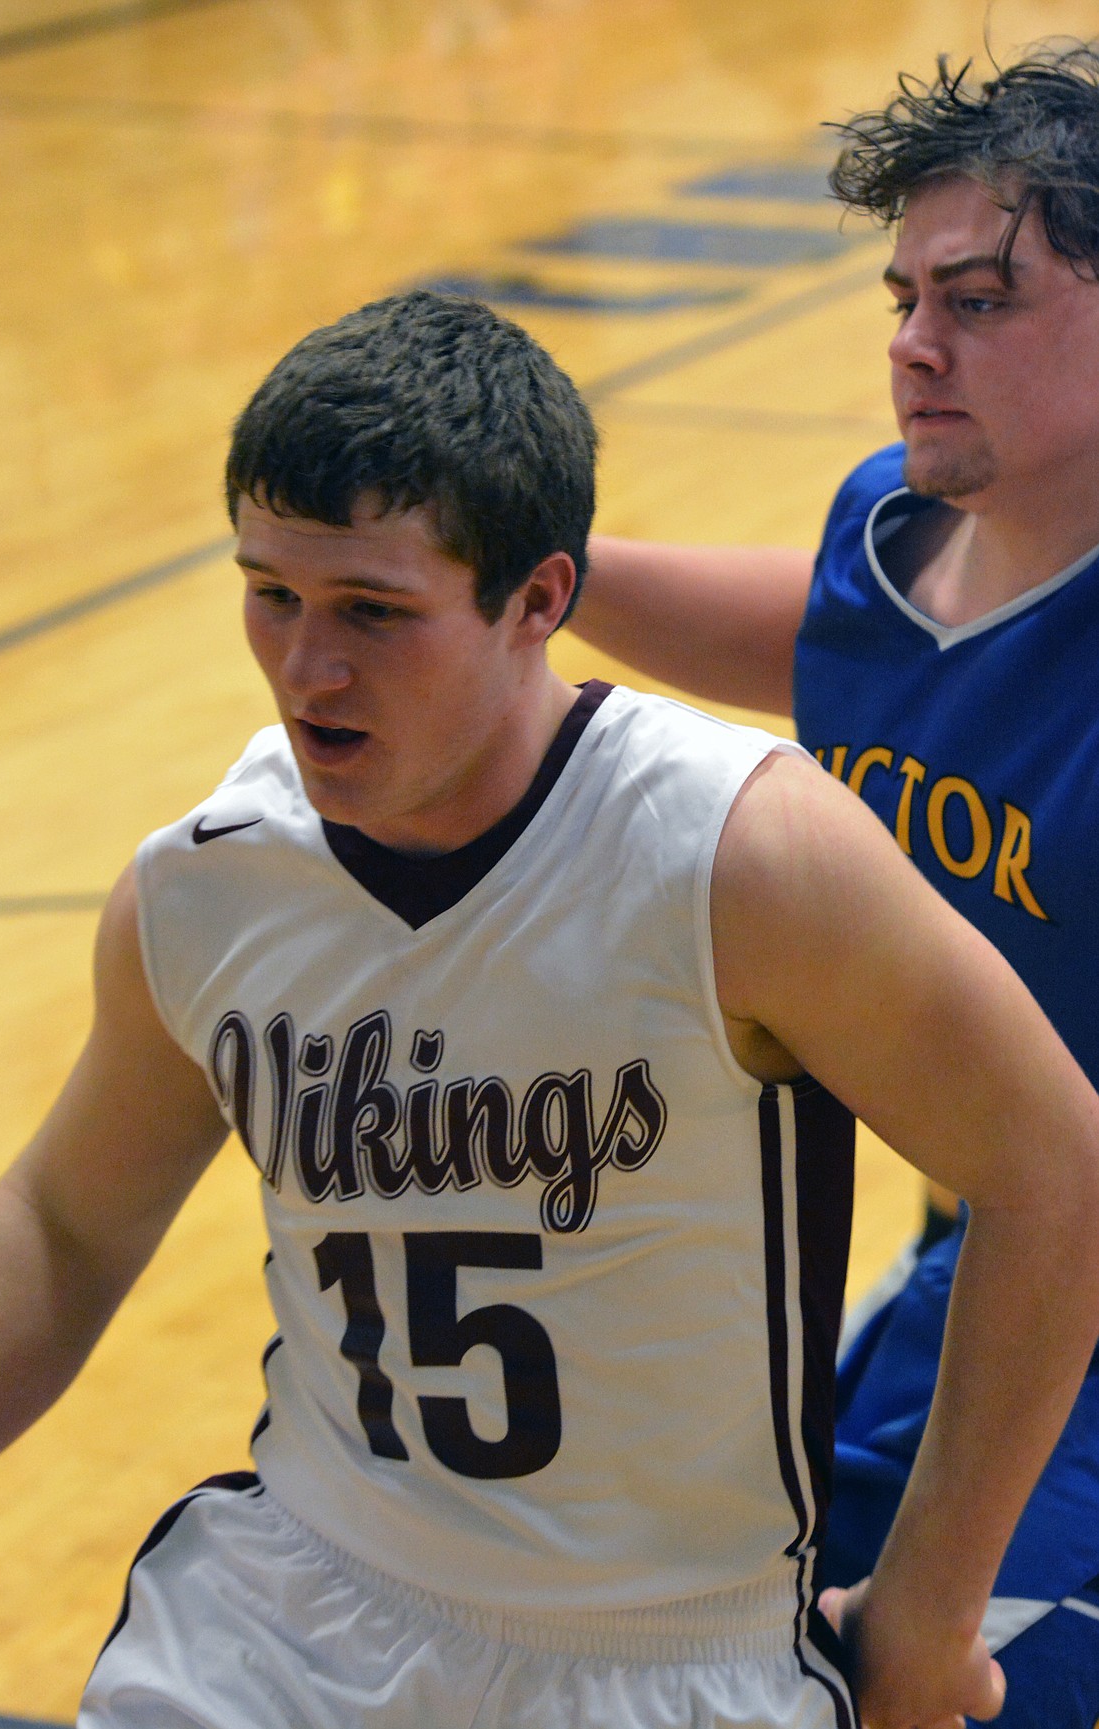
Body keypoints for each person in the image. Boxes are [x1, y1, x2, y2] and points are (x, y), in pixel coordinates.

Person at [0, 292, 1099, 1729]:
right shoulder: (207, 884)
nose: (308, 668)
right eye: (270, 595)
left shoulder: (737, 854)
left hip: (665, 1659)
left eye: (373, 611)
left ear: (539, 598)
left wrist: (924, 1608)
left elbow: (1056, 1166)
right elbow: (66, 1222)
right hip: (288, 1614)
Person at [569, 42, 1099, 1729]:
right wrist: (508, 559)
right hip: (1009, 1248)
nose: (910, 346)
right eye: (899, 296)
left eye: (979, 298)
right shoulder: (890, 540)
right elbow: (794, 638)